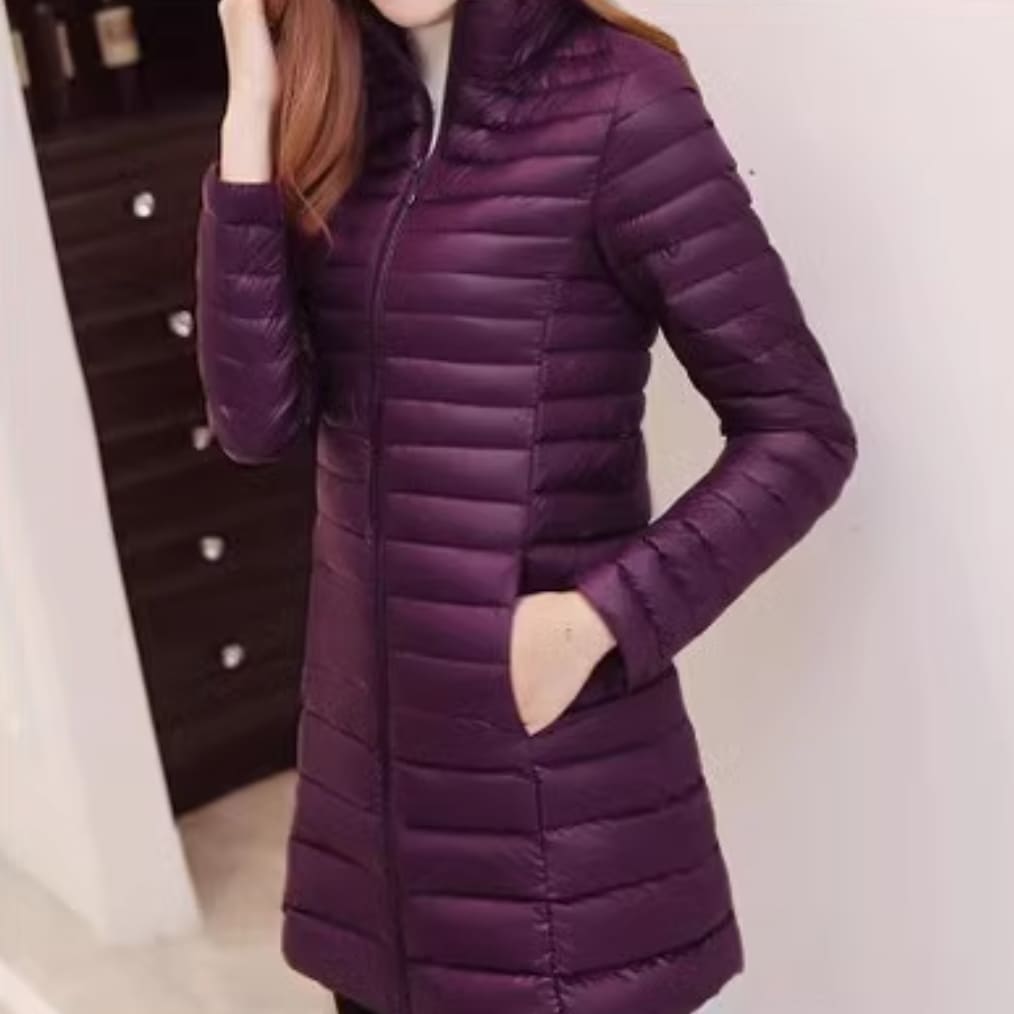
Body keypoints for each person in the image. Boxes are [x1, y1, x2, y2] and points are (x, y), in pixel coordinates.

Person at [194, 1, 858, 1012]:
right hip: (370, 831)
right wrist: (251, 105)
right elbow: (256, 424)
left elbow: (800, 431)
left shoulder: (622, 100)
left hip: (553, 828)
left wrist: (591, 621)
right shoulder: (333, 109)